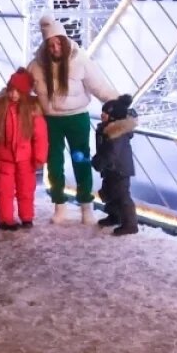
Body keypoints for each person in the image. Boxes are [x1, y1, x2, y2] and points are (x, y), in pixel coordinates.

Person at [30, 14, 119, 224]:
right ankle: (59, 206)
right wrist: (3, 98)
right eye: (50, 45)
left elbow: (99, 86)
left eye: (58, 43)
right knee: (54, 163)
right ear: (45, 46)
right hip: (51, 121)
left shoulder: (80, 59)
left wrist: (118, 103)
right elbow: (19, 86)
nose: (55, 49)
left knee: (81, 160)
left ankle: (86, 207)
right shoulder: (36, 65)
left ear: (64, 40)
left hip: (77, 119)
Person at [0, 68, 49, 231]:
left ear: (24, 92)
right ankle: (5, 219)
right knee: (4, 190)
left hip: (26, 159)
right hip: (4, 158)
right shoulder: (1, 108)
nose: (13, 94)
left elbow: (40, 136)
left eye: (17, 91)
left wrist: (39, 156)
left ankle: (27, 217)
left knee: (26, 189)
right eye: (11, 90)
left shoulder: (33, 110)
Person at [92, 94, 139, 236]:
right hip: (111, 169)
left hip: (119, 169)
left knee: (122, 196)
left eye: (106, 113)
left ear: (113, 116)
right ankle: (114, 216)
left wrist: (99, 161)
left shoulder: (116, 133)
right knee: (110, 192)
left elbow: (112, 153)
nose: (102, 115)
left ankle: (130, 224)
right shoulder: (107, 129)